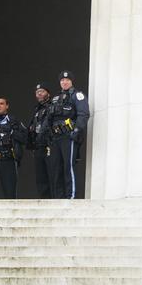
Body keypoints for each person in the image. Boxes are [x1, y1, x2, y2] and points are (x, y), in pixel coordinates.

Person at [47, 70, 90, 199]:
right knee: (57, 168)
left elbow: (83, 114)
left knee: (68, 167)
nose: (64, 82)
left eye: (67, 80)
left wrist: (76, 130)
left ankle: (71, 196)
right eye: (62, 80)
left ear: (71, 81)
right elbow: (50, 118)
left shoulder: (77, 95)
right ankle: (59, 197)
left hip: (68, 136)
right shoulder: (56, 98)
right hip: (56, 137)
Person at [27, 82, 53, 198]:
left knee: (51, 174)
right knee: (40, 176)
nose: (39, 94)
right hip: (38, 147)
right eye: (37, 92)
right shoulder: (37, 110)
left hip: (50, 146)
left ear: (48, 93)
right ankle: (44, 200)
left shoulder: (53, 106)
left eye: (42, 91)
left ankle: (54, 200)